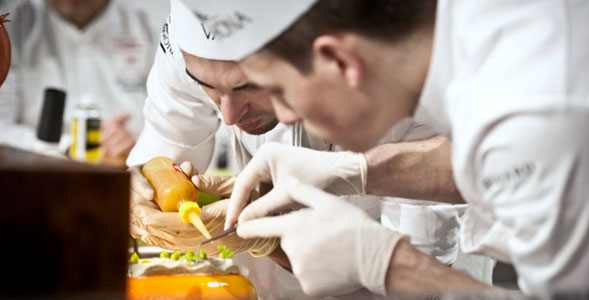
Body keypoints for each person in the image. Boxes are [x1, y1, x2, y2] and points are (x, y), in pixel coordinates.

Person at [170, 0, 589, 298]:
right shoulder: (468, 31)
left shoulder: (536, 114)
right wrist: (354, 170)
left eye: (281, 92)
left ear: (338, 61)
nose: (286, 118)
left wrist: (390, 265)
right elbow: (481, 159)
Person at [125, 3, 494, 299]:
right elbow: (163, 145)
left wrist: (374, 260)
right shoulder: (188, 51)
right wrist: (140, 188)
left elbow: (420, 277)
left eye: (257, 86)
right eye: (209, 88)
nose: (229, 116)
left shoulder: (439, 78)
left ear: (336, 58)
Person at [0, 0, 167, 164]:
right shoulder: (6, 25)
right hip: (35, 177)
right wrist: (72, 147)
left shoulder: (152, 23)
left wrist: (140, 144)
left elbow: (174, 122)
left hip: (131, 171)